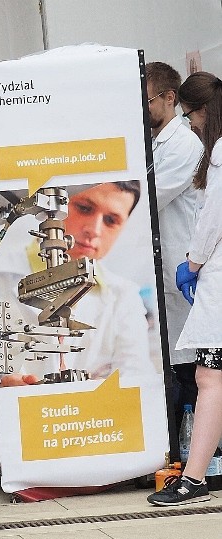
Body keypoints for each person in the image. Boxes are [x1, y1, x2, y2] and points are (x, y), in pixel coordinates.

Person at [0, 181, 151, 385]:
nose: (94, 230)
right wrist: (2, 387)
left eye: (110, 220)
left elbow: (137, 378)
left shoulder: (124, 297)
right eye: (84, 208)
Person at [148, 71, 222, 506]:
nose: (191, 124)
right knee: (210, 377)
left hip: (213, 274)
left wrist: (191, 263)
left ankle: (194, 478)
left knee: (208, 377)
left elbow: (211, 219)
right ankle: (197, 473)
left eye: (192, 116)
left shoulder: (215, 154)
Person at [146, 61, 204, 460]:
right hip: (164, 272)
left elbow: (150, 197)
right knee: (173, 362)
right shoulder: (158, 141)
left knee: (189, 369)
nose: (141, 110)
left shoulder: (184, 145)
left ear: (170, 98)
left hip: (183, 272)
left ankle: (194, 452)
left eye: (146, 101)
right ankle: (180, 450)